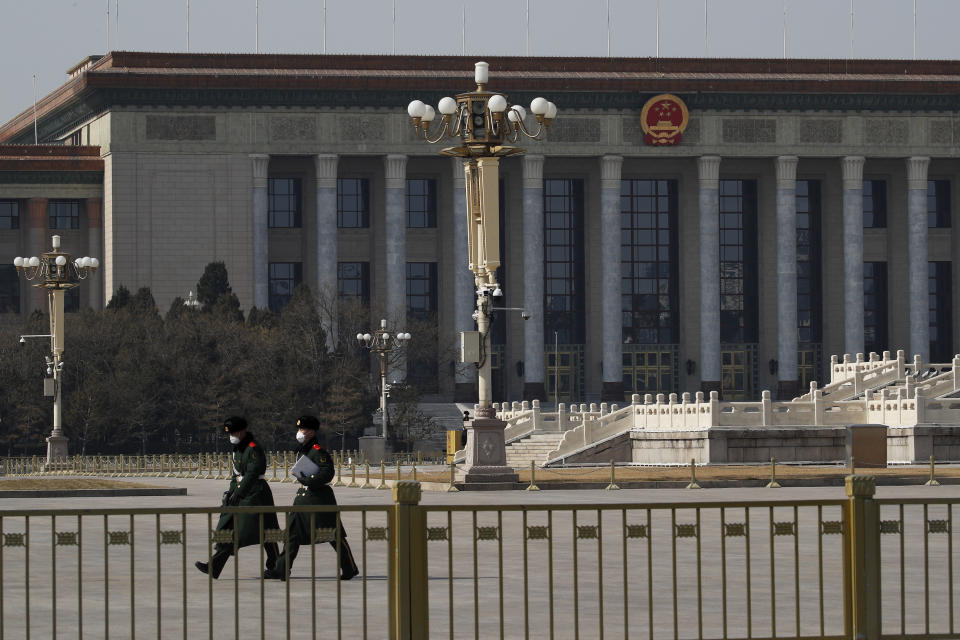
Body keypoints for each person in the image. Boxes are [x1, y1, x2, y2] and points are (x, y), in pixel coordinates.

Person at [263, 415, 359, 581]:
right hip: (304, 498)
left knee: (334, 535)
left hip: (319, 499)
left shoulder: (317, 451)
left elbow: (327, 472)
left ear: (312, 432)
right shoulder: (305, 450)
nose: (300, 432)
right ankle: (281, 569)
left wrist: (308, 480)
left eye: (304, 429)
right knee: (292, 535)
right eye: (299, 429)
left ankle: (349, 567)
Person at [195, 416, 281, 579]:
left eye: (233, 432)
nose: (231, 436)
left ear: (242, 431)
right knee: (232, 528)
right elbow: (237, 476)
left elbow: (252, 473)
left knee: (260, 532)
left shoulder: (252, 448)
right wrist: (230, 492)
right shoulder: (238, 449)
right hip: (241, 494)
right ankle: (215, 566)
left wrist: (239, 493)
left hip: (256, 494)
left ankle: (277, 566)